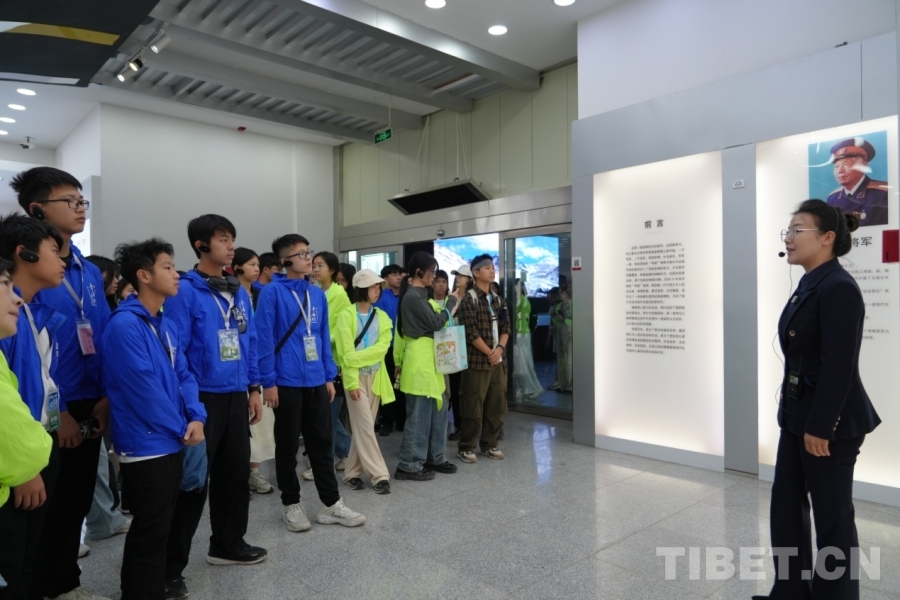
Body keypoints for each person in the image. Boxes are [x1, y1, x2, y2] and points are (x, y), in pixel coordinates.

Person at [755, 200, 882, 600]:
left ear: (827, 238)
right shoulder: (811, 282)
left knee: (833, 520)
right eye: (788, 231)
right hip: (798, 417)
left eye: (798, 230)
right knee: (786, 507)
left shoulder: (839, 287)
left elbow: (839, 366)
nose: (789, 239)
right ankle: (790, 592)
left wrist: (821, 426)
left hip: (828, 426)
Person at [12, 167, 112, 600]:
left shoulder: (88, 271)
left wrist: (106, 396)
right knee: (43, 504)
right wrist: (63, 411)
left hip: (93, 399)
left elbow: (101, 335)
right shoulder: (24, 275)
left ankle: (65, 582)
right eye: (69, 201)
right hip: (49, 406)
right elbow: (32, 359)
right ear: (37, 210)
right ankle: (38, 586)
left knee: (76, 498)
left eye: (82, 201)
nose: (80, 208)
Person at [163, 215, 267, 599]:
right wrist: (189, 405)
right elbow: (176, 350)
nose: (231, 246)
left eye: (232, 239)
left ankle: (227, 544)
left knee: (235, 475)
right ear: (201, 245)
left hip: (236, 393)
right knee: (193, 484)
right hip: (202, 397)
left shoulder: (237, 290)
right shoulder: (185, 291)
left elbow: (248, 341)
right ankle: (169, 568)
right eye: (223, 239)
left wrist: (253, 387)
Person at [103, 238, 207, 600]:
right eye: (167, 266)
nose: (176, 273)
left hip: (173, 437)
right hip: (146, 443)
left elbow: (185, 376)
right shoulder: (125, 326)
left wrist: (196, 416)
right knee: (149, 528)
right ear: (144, 275)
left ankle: (152, 588)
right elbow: (143, 390)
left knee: (163, 523)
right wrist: (182, 427)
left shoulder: (163, 324)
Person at [257, 234, 365, 532]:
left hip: (316, 380)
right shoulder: (272, 293)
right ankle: (291, 504)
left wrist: (329, 376)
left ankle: (331, 504)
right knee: (288, 446)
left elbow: (321, 338)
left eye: (309, 253)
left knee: (322, 444)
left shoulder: (316, 295)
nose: (309, 259)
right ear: (284, 261)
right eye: (302, 254)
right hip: (286, 381)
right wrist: (268, 381)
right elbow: (263, 340)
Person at [0, 216, 66, 600]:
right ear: (23, 254)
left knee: (31, 553)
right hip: (18, 458)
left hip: (40, 439)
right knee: (15, 559)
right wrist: (24, 470)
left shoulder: (30, 312)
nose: (62, 261)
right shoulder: (6, 319)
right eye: (54, 251)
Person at [394, 252, 459, 481]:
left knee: (437, 414)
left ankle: (434, 456)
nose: (434, 277)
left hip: (430, 362)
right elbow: (436, 323)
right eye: (432, 272)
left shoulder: (420, 295)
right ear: (419, 273)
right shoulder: (414, 296)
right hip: (420, 362)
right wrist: (451, 303)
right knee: (419, 417)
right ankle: (409, 464)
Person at [333, 269, 394, 494]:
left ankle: (351, 473)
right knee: (366, 427)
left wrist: (353, 358)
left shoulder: (382, 317)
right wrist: (351, 383)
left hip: (376, 377)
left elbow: (382, 349)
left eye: (378, 286)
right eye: (373, 286)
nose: (377, 290)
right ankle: (379, 475)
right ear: (361, 289)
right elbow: (344, 352)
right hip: (355, 378)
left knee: (362, 427)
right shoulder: (346, 316)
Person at [455, 255, 510, 464]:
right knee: (473, 404)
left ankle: (490, 443)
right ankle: (466, 446)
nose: (492, 270)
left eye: (492, 267)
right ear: (476, 273)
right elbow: (470, 331)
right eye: (486, 268)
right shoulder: (469, 300)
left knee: (497, 403)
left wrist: (499, 350)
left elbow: (506, 328)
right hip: (478, 362)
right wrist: (490, 352)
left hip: (498, 361)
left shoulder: (498, 300)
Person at [232, 248, 276, 495]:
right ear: (237, 267)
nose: (256, 269)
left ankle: (254, 474)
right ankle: (238, 476)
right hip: (237, 368)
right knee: (240, 430)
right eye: (251, 264)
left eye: (258, 264)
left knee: (260, 426)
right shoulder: (229, 294)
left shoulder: (262, 295)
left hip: (259, 365)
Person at [312, 251, 351, 475]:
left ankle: (324, 463)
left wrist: (319, 339)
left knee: (327, 414)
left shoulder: (339, 294)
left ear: (333, 270)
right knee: (327, 414)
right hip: (317, 359)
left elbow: (343, 330)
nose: (316, 270)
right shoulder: (317, 293)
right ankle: (347, 452)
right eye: (314, 265)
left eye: (321, 266)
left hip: (333, 362)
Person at [825, 138, 888, 227]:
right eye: (837, 166)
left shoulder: (882, 193)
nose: (840, 171)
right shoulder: (833, 198)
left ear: (863, 165)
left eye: (846, 164)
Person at [374, 264, 404, 436]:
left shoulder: (405, 295)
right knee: (388, 385)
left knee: (402, 385)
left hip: (403, 347)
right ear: (385, 278)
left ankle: (401, 419)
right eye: (394, 274)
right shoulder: (381, 297)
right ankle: (387, 420)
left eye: (400, 274)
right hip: (387, 347)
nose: (398, 277)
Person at [447, 265, 472, 441]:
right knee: (455, 389)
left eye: (461, 276)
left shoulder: (473, 298)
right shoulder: (450, 298)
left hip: (470, 349)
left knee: (470, 390)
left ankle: (472, 426)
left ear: (470, 279)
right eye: (456, 275)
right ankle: (458, 425)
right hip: (453, 349)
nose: (458, 278)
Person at [513, 280, 543, 399]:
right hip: (521, 334)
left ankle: (533, 387)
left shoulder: (522, 300)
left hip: (521, 334)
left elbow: (520, 318)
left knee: (524, 362)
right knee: (521, 362)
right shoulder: (521, 300)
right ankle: (524, 388)